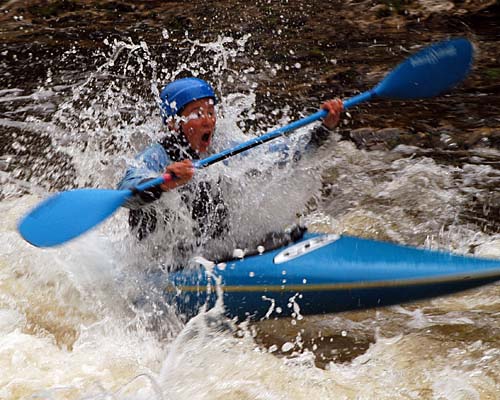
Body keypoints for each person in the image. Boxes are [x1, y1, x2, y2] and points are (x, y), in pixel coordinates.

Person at [117, 77, 342, 259]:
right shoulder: (156, 155)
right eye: (196, 113)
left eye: (211, 111)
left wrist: (323, 129)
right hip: (165, 255)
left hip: (212, 245)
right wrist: (165, 182)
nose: (208, 121)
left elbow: (283, 155)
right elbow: (125, 193)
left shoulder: (224, 146)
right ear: (174, 123)